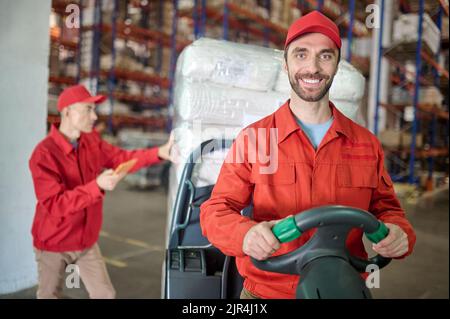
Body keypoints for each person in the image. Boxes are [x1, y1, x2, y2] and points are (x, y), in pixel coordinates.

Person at [200, 11, 416, 299]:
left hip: (342, 288)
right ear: (285, 63)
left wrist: (400, 233)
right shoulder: (256, 138)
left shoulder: (366, 144)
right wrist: (245, 234)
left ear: (337, 64)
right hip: (268, 291)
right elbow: (216, 210)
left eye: (325, 56)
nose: (312, 68)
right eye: (301, 55)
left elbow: (389, 210)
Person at [29, 84, 173, 298]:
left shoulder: (91, 141)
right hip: (54, 242)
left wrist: (159, 153)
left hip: (86, 241)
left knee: (105, 294)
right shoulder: (44, 154)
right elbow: (54, 204)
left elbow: (120, 158)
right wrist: (96, 186)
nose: (95, 116)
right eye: (88, 109)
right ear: (67, 112)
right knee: (49, 294)